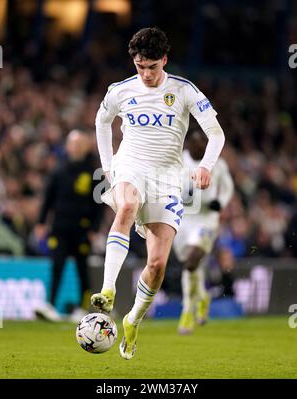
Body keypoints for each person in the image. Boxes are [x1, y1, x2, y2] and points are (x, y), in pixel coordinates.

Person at [92, 27, 225, 359]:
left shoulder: (184, 90)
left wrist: (206, 165)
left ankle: (133, 319)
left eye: (152, 66)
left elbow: (216, 133)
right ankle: (108, 289)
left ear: (164, 60)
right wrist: (109, 167)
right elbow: (101, 122)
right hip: (131, 166)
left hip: (167, 178)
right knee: (125, 207)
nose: (147, 74)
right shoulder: (120, 91)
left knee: (157, 263)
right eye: (140, 67)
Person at [34, 130, 104, 322]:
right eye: (73, 143)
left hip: (82, 230)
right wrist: (41, 223)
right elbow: (47, 199)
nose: (76, 147)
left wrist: (95, 229)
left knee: (83, 269)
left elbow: (99, 204)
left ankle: (83, 308)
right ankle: (49, 305)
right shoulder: (58, 170)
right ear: (67, 146)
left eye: (80, 143)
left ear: (86, 146)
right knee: (57, 265)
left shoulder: (93, 172)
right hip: (60, 228)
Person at [173, 130, 234, 334]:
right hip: (184, 218)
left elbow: (228, 187)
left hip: (207, 219)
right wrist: (185, 192)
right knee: (190, 266)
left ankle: (187, 311)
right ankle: (202, 296)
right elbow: (172, 186)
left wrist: (221, 202)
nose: (199, 146)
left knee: (192, 262)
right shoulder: (179, 160)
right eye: (195, 142)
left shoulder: (217, 162)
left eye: (203, 143)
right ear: (188, 144)